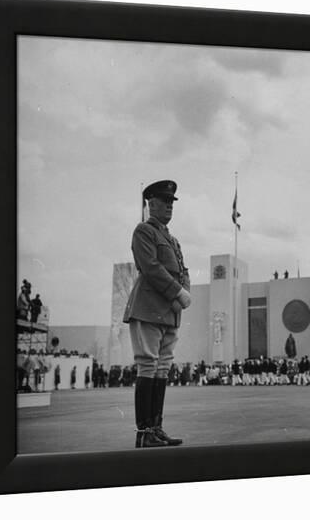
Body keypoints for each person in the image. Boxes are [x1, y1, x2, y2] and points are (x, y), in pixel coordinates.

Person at [123, 180, 190, 448]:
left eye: (172, 202)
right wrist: (177, 293)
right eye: (164, 201)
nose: (169, 206)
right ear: (151, 204)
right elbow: (150, 267)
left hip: (170, 310)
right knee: (149, 364)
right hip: (149, 307)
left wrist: (183, 293)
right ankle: (145, 432)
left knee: (162, 367)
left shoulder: (172, 239)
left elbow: (183, 270)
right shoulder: (144, 231)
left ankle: (156, 428)